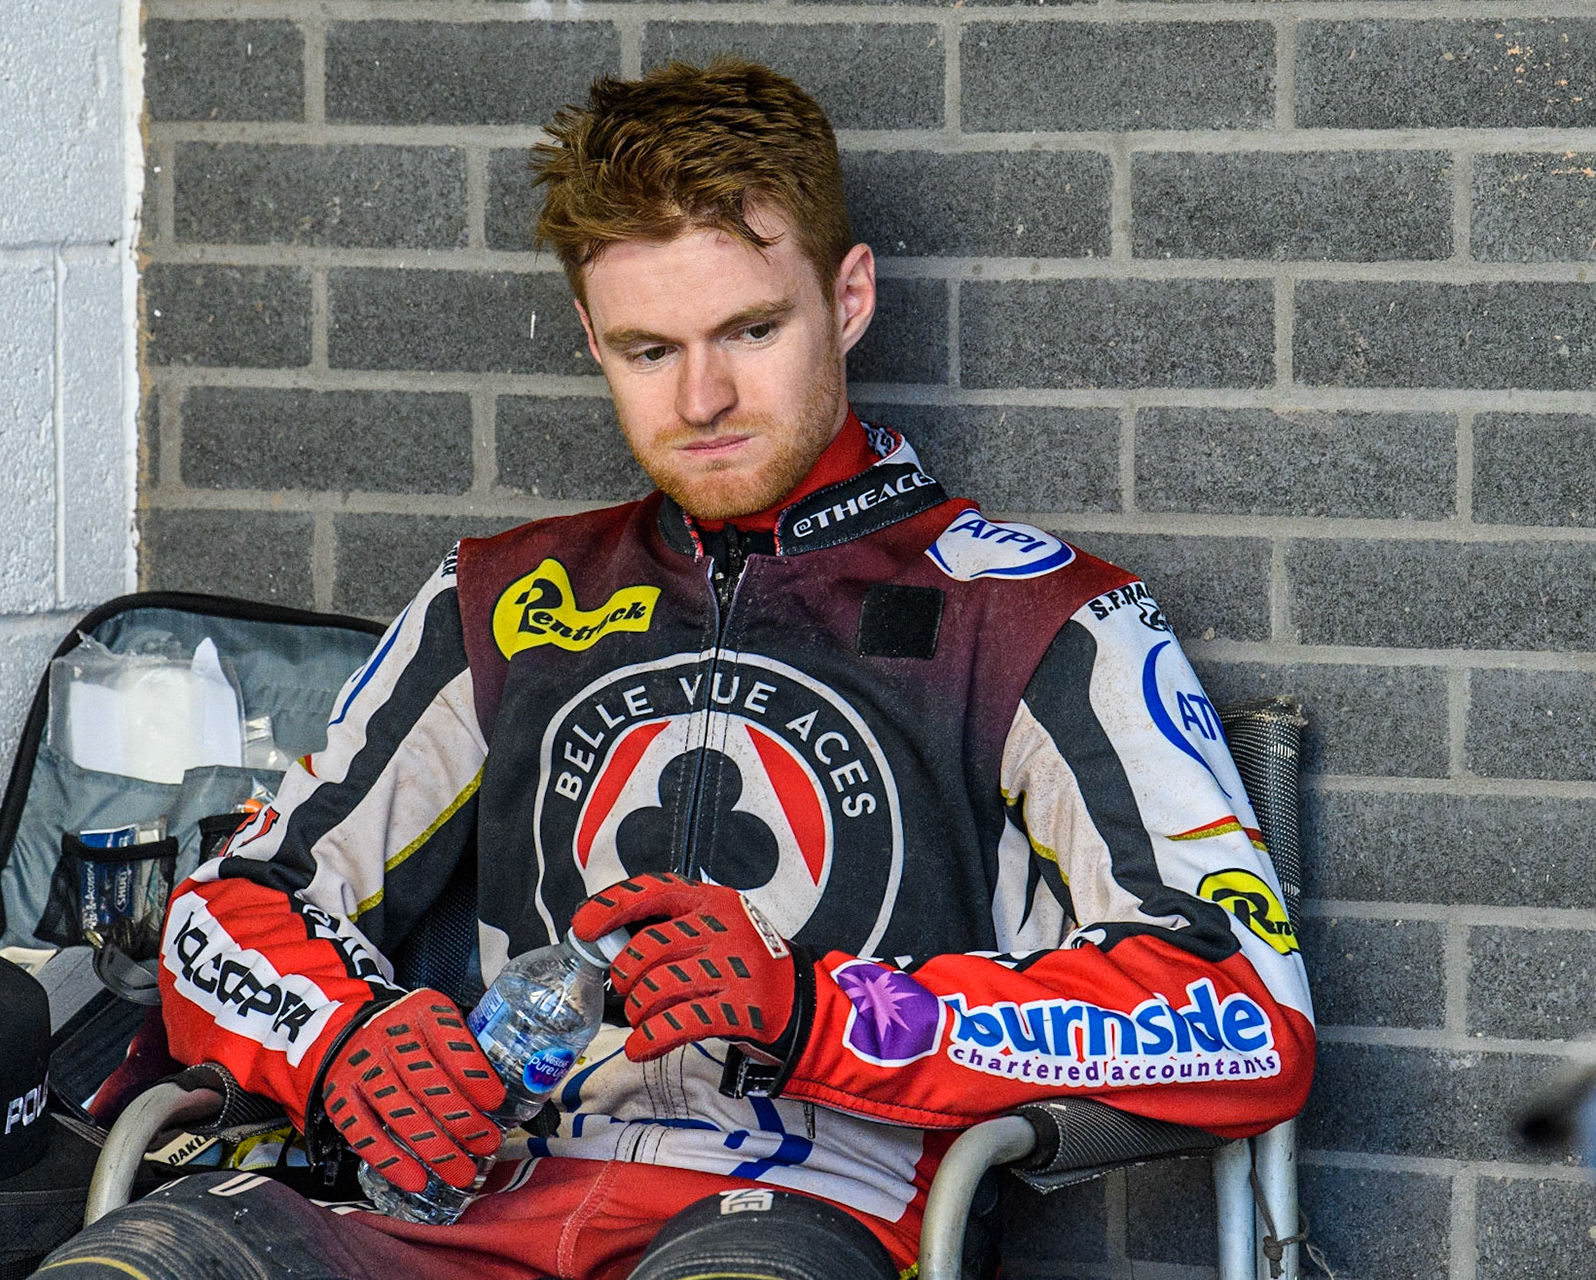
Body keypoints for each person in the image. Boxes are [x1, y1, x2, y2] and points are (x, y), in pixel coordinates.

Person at [108, 58, 1313, 1280]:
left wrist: (820, 1011)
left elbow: (1240, 1008)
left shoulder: (1037, 615)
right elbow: (236, 899)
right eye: (648, 349)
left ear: (848, 298)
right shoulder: (506, 595)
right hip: (472, 1202)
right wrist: (341, 1041)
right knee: (146, 1259)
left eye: (751, 329)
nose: (704, 397)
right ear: (591, 338)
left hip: (819, 1211)